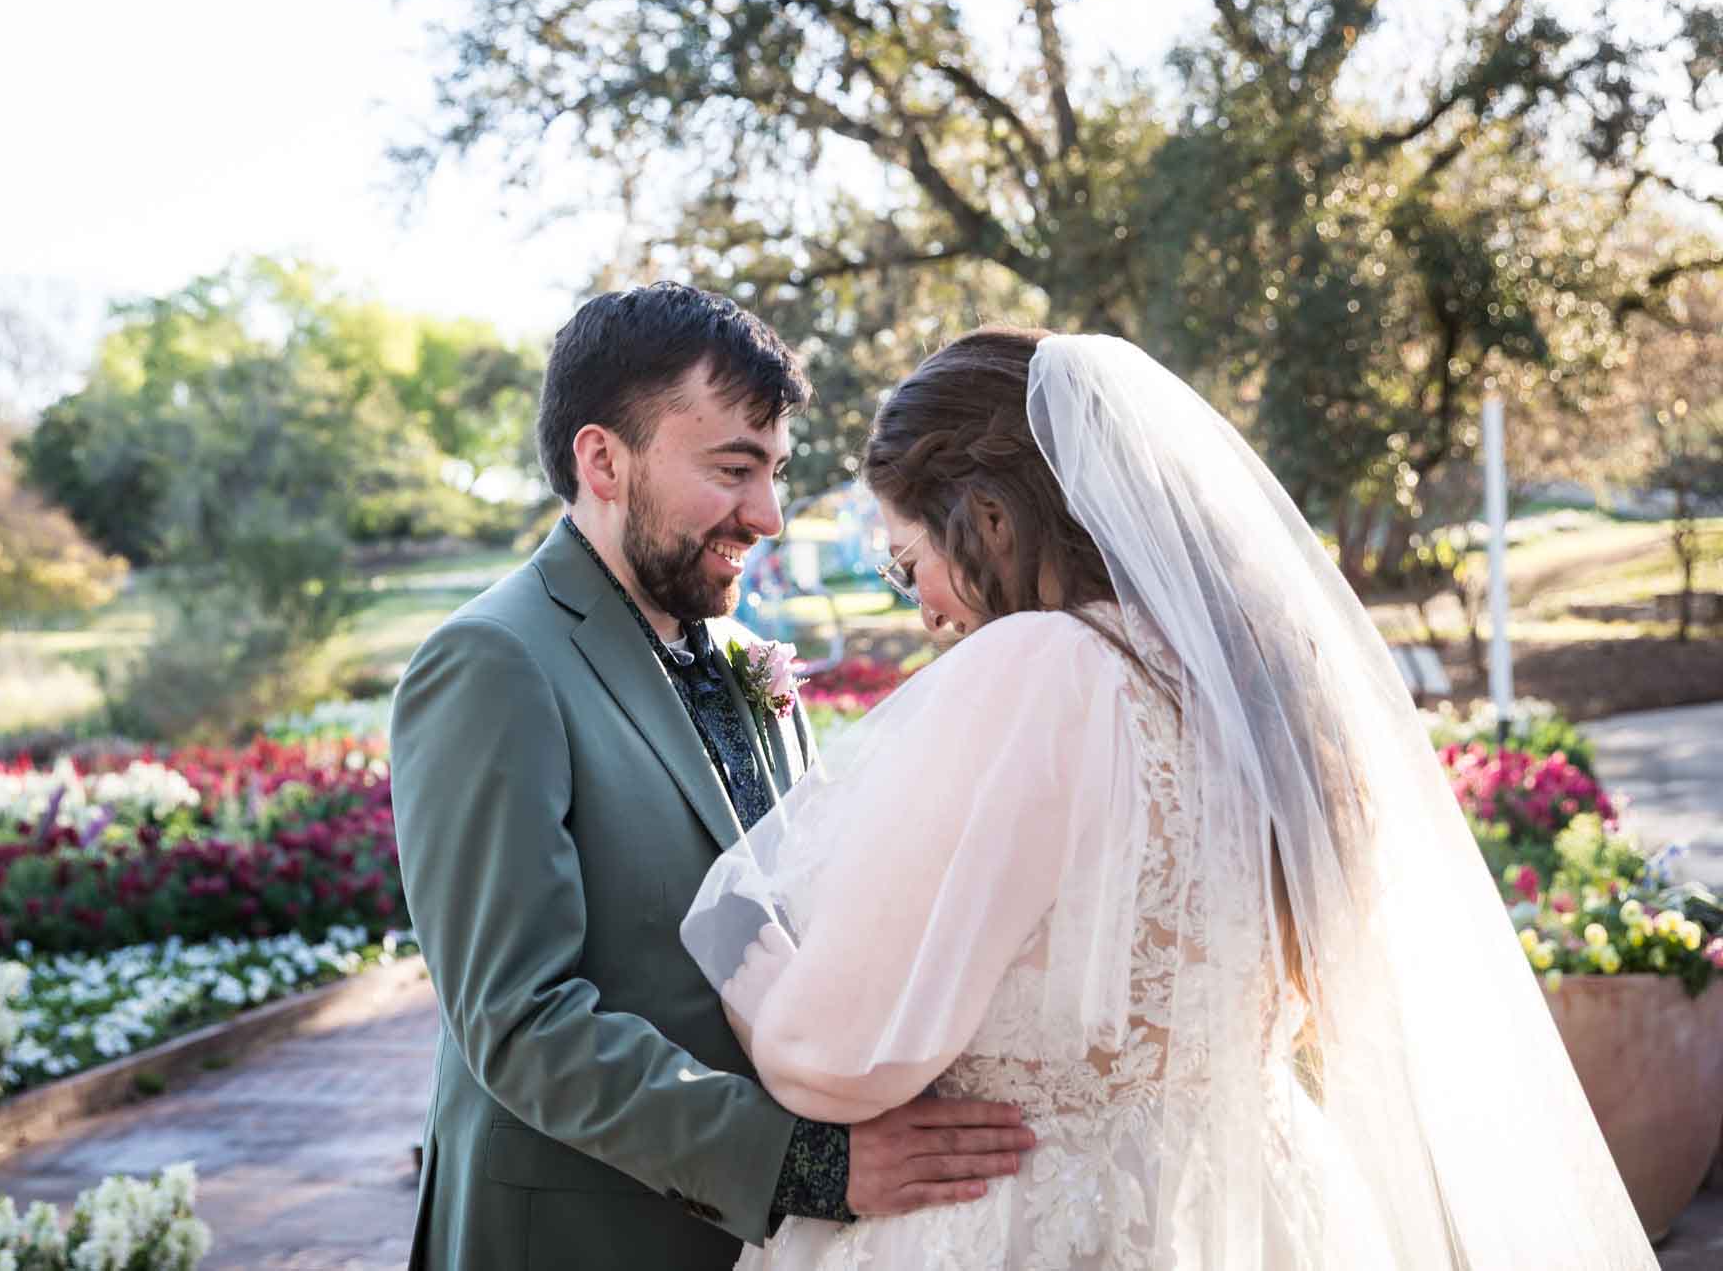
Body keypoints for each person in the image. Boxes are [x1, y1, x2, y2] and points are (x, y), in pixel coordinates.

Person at [684, 327, 1656, 1269]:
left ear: (985, 516)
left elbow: (845, 1056)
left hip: (1039, 1220)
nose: (925, 605)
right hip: (1260, 1200)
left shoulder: (1043, 667)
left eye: (909, 563)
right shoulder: (1268, 687)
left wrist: (762, 977)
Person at [389, 284, 1035, 1271]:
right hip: (577, 1236)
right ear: (602, 460)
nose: (767, 515)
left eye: (774, 472)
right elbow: (516, 1021)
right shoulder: (491, 662)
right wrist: (808, 1165)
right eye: (734, 470)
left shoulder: (741, 652)